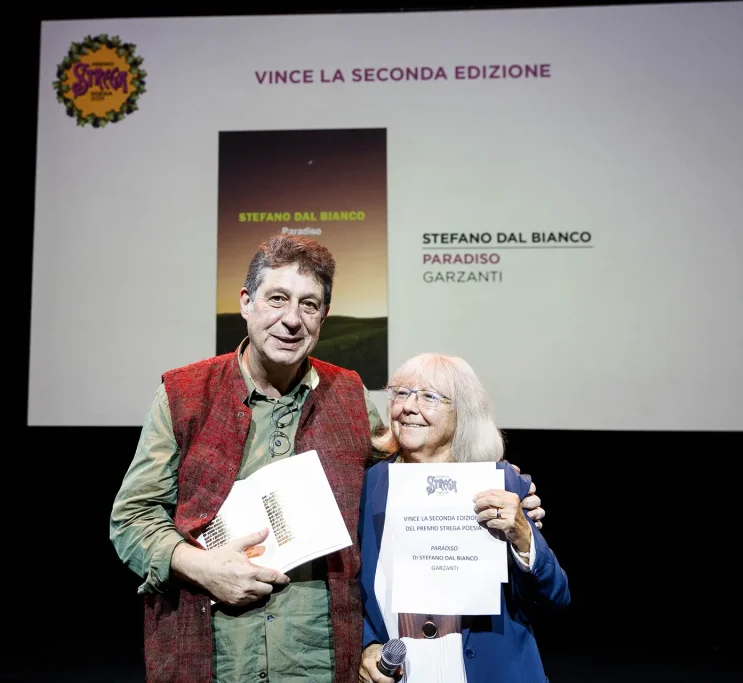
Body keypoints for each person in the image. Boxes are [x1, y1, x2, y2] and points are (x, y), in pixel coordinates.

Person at [109, 235, 547, 683]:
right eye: (277, 298)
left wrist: (503, 488)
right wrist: (201, 566)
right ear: (246, 302)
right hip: (212, 652)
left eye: (309, 305)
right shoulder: (184, 395)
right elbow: (131, 518)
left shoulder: (350, 396)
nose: (291, 319)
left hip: (319, 659)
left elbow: (409, 473)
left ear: (323, 316)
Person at [358, 353, 570, 683]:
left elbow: (553, 598)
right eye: (401, 393)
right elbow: (351, 591)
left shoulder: (501, 483)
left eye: (429, 396)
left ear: (463, 413)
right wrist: (367, 646)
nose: (409, 407)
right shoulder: (369, 485)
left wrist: (522, 535)